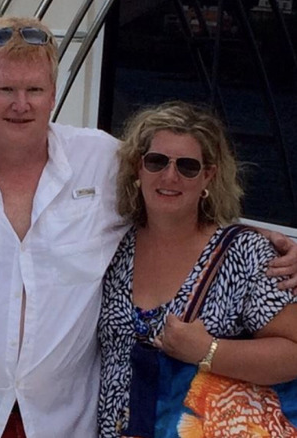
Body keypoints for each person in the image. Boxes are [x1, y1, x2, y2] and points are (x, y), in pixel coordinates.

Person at [0, 15, 297, 438]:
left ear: (53, 94)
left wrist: (271, 242)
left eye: (34, 89)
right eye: (5, 89)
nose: (21, 104)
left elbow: (174, 196)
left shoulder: (101, 161)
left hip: (67, 421)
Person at [97, 101, 297, 436]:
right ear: (138, 167)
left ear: (208, 175)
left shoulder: (244, 255)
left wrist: (209, 352)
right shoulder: (111, 245)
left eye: (187, 166)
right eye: (157, 161)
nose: (170, 176)